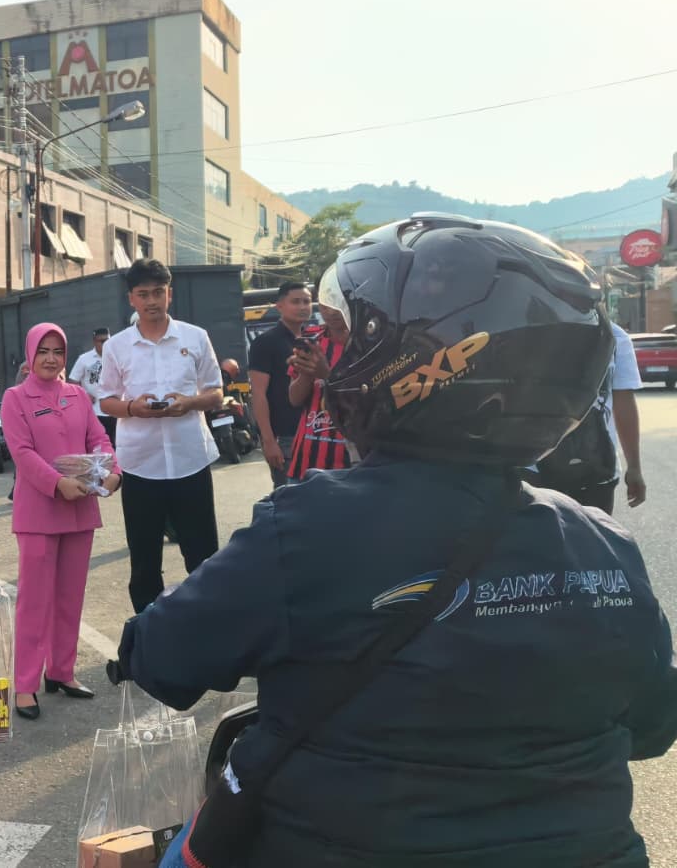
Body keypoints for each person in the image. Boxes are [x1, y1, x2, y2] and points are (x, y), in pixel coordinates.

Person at [112, 216, 676, 867]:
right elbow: (653, 726)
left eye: (346, 338)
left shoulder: (308, 528)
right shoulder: (604, 545)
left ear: (414, 364)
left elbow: (159, 655)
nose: (339, 356)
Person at [2, 323, 120, 720]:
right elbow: (22, 453)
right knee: (35, 602)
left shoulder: (78, 396)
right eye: (43, 351)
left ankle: (62, 671)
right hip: (39, 511)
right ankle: (25, 685)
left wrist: (112, 470)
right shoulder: (16, 398)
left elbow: (98, 439)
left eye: (57, 351)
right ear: (30, 355)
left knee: (70, 597)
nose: (51, 359)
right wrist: (57, 484)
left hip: (80, 508)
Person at [99, 259, 224, 614]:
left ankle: (209, 629)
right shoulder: (116, 347)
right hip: (141, 465)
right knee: (144, 561)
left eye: (158, 292)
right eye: (143, 294)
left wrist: (189, 403)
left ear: (170, 294)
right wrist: (132, 408)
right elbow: (106, 401)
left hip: (190, 461)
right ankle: (149, 635)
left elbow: (216, 393)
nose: (151, 301)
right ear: (131, 299)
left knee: (203, 556)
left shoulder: (195, 337)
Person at [532, 321, 645, 514]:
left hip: (596, 468)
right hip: (533, 469)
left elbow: (623, 402)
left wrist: (634, 466)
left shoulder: (615, 336)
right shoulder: (529, 328)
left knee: (593, 532)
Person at [283, 285, 351, 482]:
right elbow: (294, 399)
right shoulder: (311, 339)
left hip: (352, 464)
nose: (331, 310)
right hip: (306, 461)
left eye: (338, 301)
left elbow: (370, 401)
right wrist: (307, 373)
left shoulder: (369, 343)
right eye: (326, 302)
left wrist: (327, 376)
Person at [248, 282, 312, 487]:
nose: (303, 307)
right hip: (285, 437)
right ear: (280, 306)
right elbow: (258, 394)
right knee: (290, 499)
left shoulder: (314, 340)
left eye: (307, 301)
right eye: (296, 302)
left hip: (316, 433)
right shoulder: (265, 343)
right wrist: (268, 441)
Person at [68, 327, 115, 445]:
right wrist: (84, 395)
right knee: (97, 445)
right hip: (94, 412)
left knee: (115, 445)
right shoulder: (84, 359)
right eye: (101, 341)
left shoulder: (116, 357)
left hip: (115, 410)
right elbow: (73, 380)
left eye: (107, 340)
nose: (105, 344)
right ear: (94, 341)